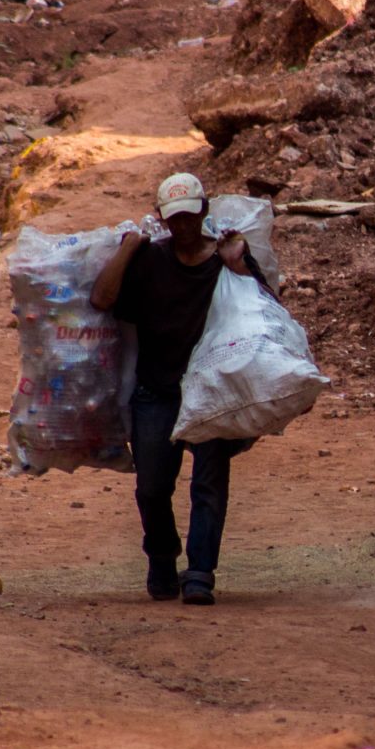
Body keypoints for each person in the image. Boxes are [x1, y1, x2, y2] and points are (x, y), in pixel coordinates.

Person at [89, 173, 258, 606]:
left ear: (203, 212)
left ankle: (200, 572)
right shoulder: (150, 261)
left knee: (208, 486)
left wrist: (240, 266)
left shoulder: (226, 260)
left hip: (212, 392)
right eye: (173, 219)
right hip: (156, 392)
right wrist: (128, 249)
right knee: (150, 489)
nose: (182, 226)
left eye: (189, 216)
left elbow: (267, 314)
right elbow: (102, 300)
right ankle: (162, 560)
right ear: (163, 219)